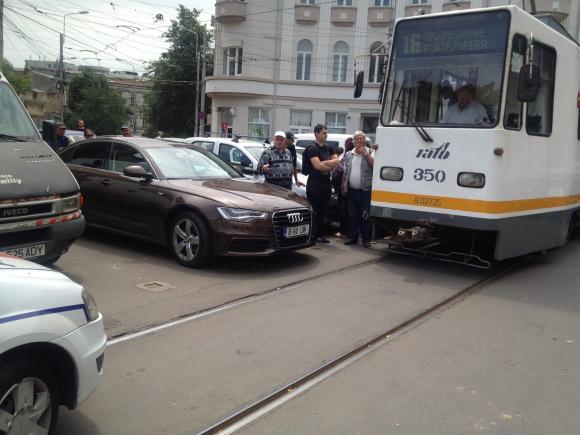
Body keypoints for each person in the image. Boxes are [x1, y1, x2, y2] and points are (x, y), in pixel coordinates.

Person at [304, 123, 339, 244]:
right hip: (315, 184)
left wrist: (325, 164)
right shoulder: (312, 148)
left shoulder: (329, 148)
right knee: (315, 210)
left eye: (326, 133)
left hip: (326, 184)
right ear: (316, 134)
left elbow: (337, 162)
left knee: (323, 210)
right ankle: (311, 235)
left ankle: (320, 234)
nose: (326, 135)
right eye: (324, 133)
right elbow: (317, 166)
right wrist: (328, 164)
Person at [342, 131, 374, 248]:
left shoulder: (370, 151)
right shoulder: (349, 154)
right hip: (352, 191)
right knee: (352, 215)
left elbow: (375, 165)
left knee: (365, 216)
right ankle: (353, 237)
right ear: (353, 141)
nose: (359, 141)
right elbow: (345, 172)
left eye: (361, 139)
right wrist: (344, 187)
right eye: (356, 139)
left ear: (364, 140)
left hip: (365, 190)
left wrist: (365, 154)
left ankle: (366, 240)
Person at [332, 137, 354, 238]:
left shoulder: (346, 155)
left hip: (343, 187)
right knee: (349, 210)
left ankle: (343, 231)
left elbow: (339, 170)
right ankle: (350, 231)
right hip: (350, 187)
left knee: (343, 210)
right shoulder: (355, 155)